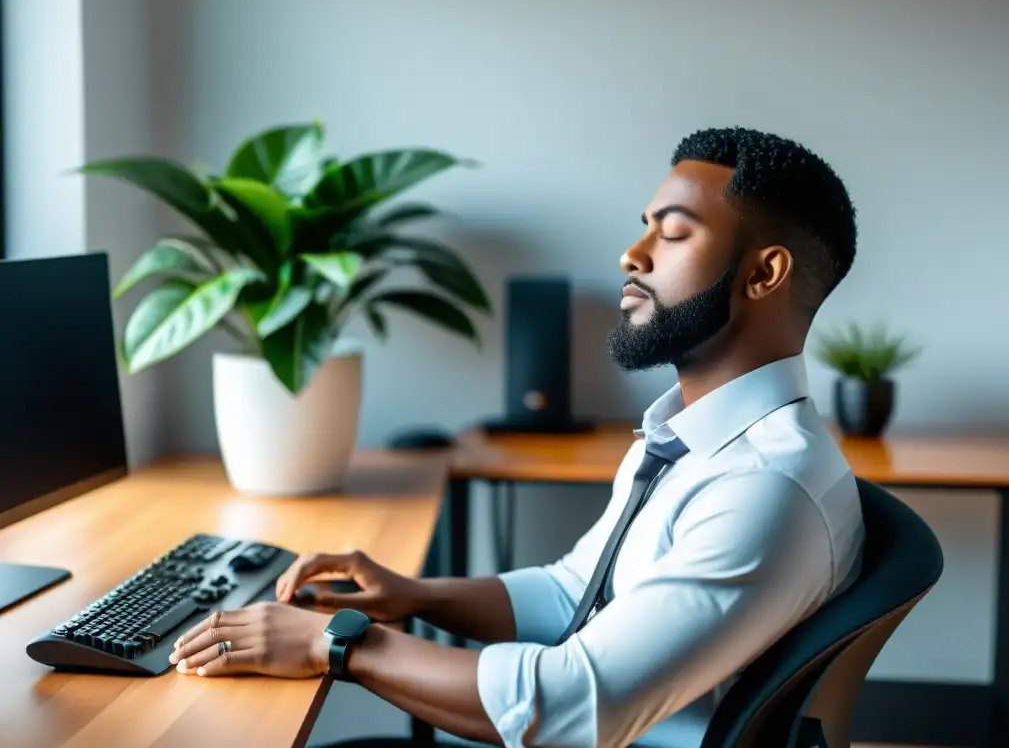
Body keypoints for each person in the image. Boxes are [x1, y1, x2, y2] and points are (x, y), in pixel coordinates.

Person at [168, 127, 865, 748]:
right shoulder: (687, 437)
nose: (632, 254)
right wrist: (413, 595)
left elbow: (572, 707)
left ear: (764, 272)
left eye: (673, 233)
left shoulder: (764, 488)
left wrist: (337, 645)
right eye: (643, 227)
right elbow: (573, 593)